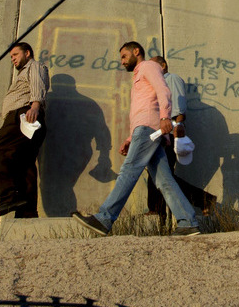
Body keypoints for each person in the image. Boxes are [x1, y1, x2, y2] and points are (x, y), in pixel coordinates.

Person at [73, 42, 203, 236]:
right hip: (145, 130)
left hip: (149, 128)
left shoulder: (148, 66)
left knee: (129, 170)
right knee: (163, 180)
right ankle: (188, 221)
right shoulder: (138, 76)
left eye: (124, 56)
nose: (122, 61)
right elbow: (142, 109)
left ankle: (104, 218)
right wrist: (130, 138)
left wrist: (165, 117)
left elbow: (164, 91)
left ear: (136, 52)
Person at [146, 56, 215, 218]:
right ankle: (202, 199)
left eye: (153, 65)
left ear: (163, 66)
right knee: (158, 173)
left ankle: (157, 210)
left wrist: (178, 127)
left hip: (168, 132)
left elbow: (179, 107)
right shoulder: (157, 84)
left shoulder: (171, 79)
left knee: (161, 174)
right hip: (157, 133)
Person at [0, 42, 48, 218]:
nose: (13, 59)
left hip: (24, 116)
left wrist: (35, 106)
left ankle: (8, 197)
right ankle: (27, 212)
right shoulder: (22, 73)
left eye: (15, 54)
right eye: (11, 57)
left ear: (27, 53)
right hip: (26, 118)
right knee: (25, 165)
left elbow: (38, 85)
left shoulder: (34, 66)